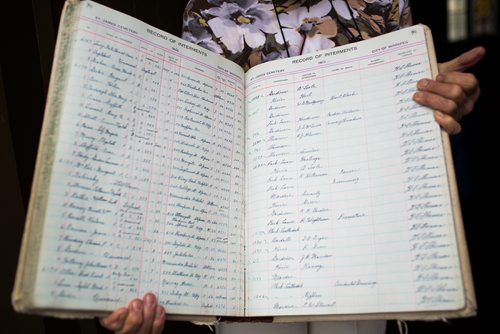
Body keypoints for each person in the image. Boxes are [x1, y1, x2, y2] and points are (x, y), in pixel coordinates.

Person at [99, 1, 485, 333]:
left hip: (355, 233)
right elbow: (194, 141)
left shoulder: (381, 3)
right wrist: (141, 272)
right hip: (250, 254)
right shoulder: (207, 10)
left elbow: (399, 115)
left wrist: (432, 97)